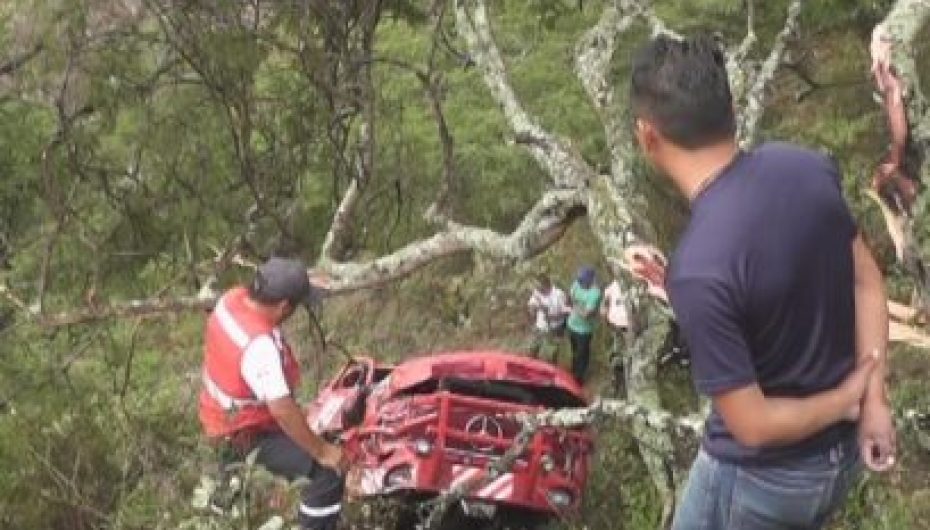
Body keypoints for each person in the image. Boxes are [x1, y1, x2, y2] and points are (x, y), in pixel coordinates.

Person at [630, 35, 895, 529]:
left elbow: (753, 426)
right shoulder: (805, 168)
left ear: (648, 136)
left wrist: (849, 401)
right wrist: (874, 401)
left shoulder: (702, 266)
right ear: (729, 107)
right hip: (839, 464)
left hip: (761, 483)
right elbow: (865, 284)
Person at [199, 257, 349, 530]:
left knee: (230, 494)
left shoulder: (231, 299)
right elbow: (282, 410)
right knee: (326, 474)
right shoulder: (260, 347)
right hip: (246, 433)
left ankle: (222, 513)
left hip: (219, 417)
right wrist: (323, 451)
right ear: (282, 306)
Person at [566, 266, 602, 384]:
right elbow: (570, 298)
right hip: (572, 325)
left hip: (584, 330)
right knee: (574, 351)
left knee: (582, 354)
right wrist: (576, 306)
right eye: (580, 279)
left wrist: (574, 306)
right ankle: (573, 371)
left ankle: (579, 378)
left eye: (583, 280)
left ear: (590, 280)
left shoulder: (595, 293)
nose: (580, 282)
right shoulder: (576, 284)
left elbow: (586, 315)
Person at [526, 273, 570, 363]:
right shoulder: (536, 293)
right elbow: (531, 307)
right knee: (531, 351)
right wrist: (533, 309)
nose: (537, 289)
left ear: (546, 285)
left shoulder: (559, 294)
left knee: (550, 356)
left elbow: (566, 312)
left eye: (539, 287)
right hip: (540, 327)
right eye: (536, 287)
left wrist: (554, 317)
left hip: (555, 328)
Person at [600, 275, 632, 385]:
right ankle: (618, 374)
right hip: (619, 324)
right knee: (621, 348)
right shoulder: (616, 285)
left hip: (624, 325)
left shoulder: (631, 287)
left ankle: (621, 375)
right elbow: (604, 304)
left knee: (623, 349)